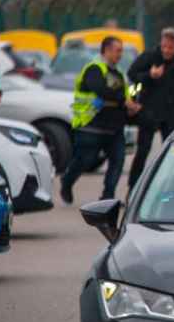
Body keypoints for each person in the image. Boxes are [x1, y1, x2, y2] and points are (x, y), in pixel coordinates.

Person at [60, 37, 140, 204]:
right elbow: (101, 90)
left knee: (117, 162)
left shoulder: (119, 74)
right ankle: (67, 182)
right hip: (91, 125)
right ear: (107, 50)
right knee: (85, 161)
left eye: (121, 50)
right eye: (118, 50)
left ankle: (107, 196)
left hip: (114, 128)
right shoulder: (94, 69)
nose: (120, 54)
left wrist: (131, 107)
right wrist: (123, 101)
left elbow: (125, 95)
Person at [126, 27, 174, 192]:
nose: (166, 50)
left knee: (172, 153)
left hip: (171, 113)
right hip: (148, 110)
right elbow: (132, 73)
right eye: (164, 46)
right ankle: (133, 188)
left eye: (170, 47)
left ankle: (171, 187)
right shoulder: (150, 56)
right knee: (142, 151)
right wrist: (149, 76)